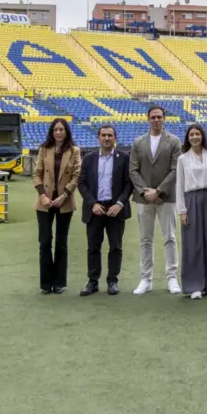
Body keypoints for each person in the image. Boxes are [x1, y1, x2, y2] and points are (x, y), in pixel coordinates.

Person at [129, 105, 183, 295]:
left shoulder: (174, 141)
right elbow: (133, 170)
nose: (156, 120)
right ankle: (146, 279)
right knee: (146, 239)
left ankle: (172, 278)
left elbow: (176, 169)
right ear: (148, 119)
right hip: (144, 199)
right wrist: (146, 192)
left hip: (166, 198)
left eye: (159, 117)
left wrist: (158, 191)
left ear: (164, 119)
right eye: (153, 117)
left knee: (170, 238)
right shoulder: (138, 142)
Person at [78, 124, 132, 296]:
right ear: (98, 138)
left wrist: (120, 203)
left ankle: (112, 281)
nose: (107, 138)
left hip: (115, 208)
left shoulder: (124, 158)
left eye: (110, 135)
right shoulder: (89, 158)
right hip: (95, 209)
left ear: (115, 138)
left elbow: (129, 184)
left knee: (115, 247)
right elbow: (82, 183)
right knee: (93, 247)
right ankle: (92, 281)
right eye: (103, 135)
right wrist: (92, 203)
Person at [32, 118, 82, 294]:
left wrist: (64, 195)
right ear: (52, 132)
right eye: (55, 130)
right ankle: (46, 283)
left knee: (61, 243)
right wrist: (42, 196)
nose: (59, 132)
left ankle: (59, 282)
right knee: (45, 242)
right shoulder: (44, 149)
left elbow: (77, 176)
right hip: (44, 202)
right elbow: (37, 174)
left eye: (62, 129)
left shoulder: (74, 151)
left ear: (66, 131)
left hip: (64, 202)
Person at [176, 123, 207, 299]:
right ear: (188, 138)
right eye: (191, 135)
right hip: (191, 200)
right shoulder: (183, 159)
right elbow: (179, 185)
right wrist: (182, 210)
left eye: (197, 134)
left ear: (202, 136)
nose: (195, 137)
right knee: (193, 243)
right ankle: (194, 285)